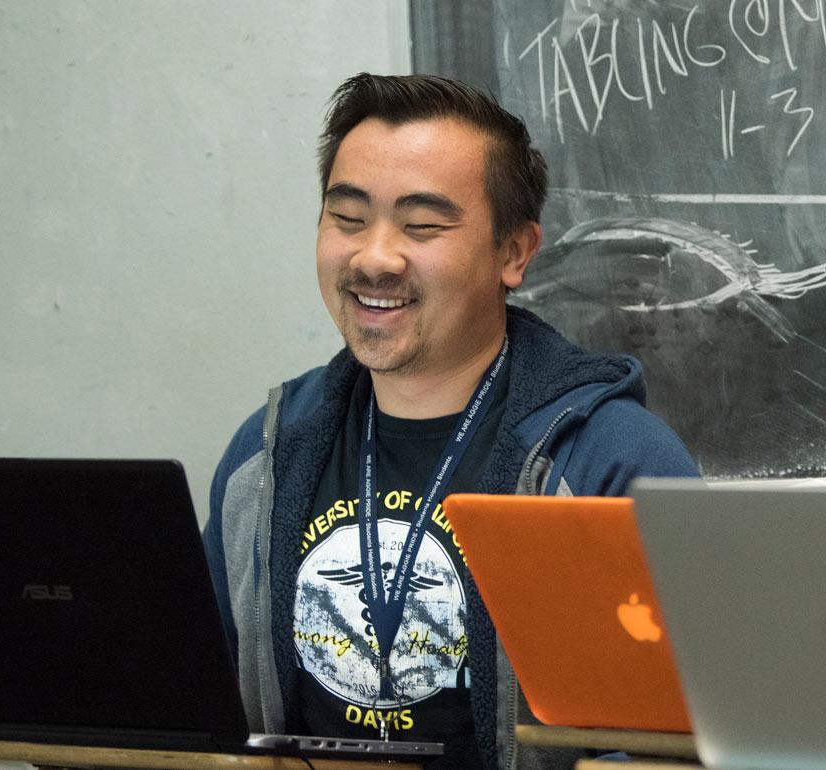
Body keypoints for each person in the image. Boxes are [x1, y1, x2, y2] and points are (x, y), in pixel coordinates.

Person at [203, 73, 698, 770]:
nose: (375, 257)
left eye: (423, 226)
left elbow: (674, 747)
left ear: (514, 253)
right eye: (347, 218)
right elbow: (202, 714)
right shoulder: (265, 456)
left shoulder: (611, 460)